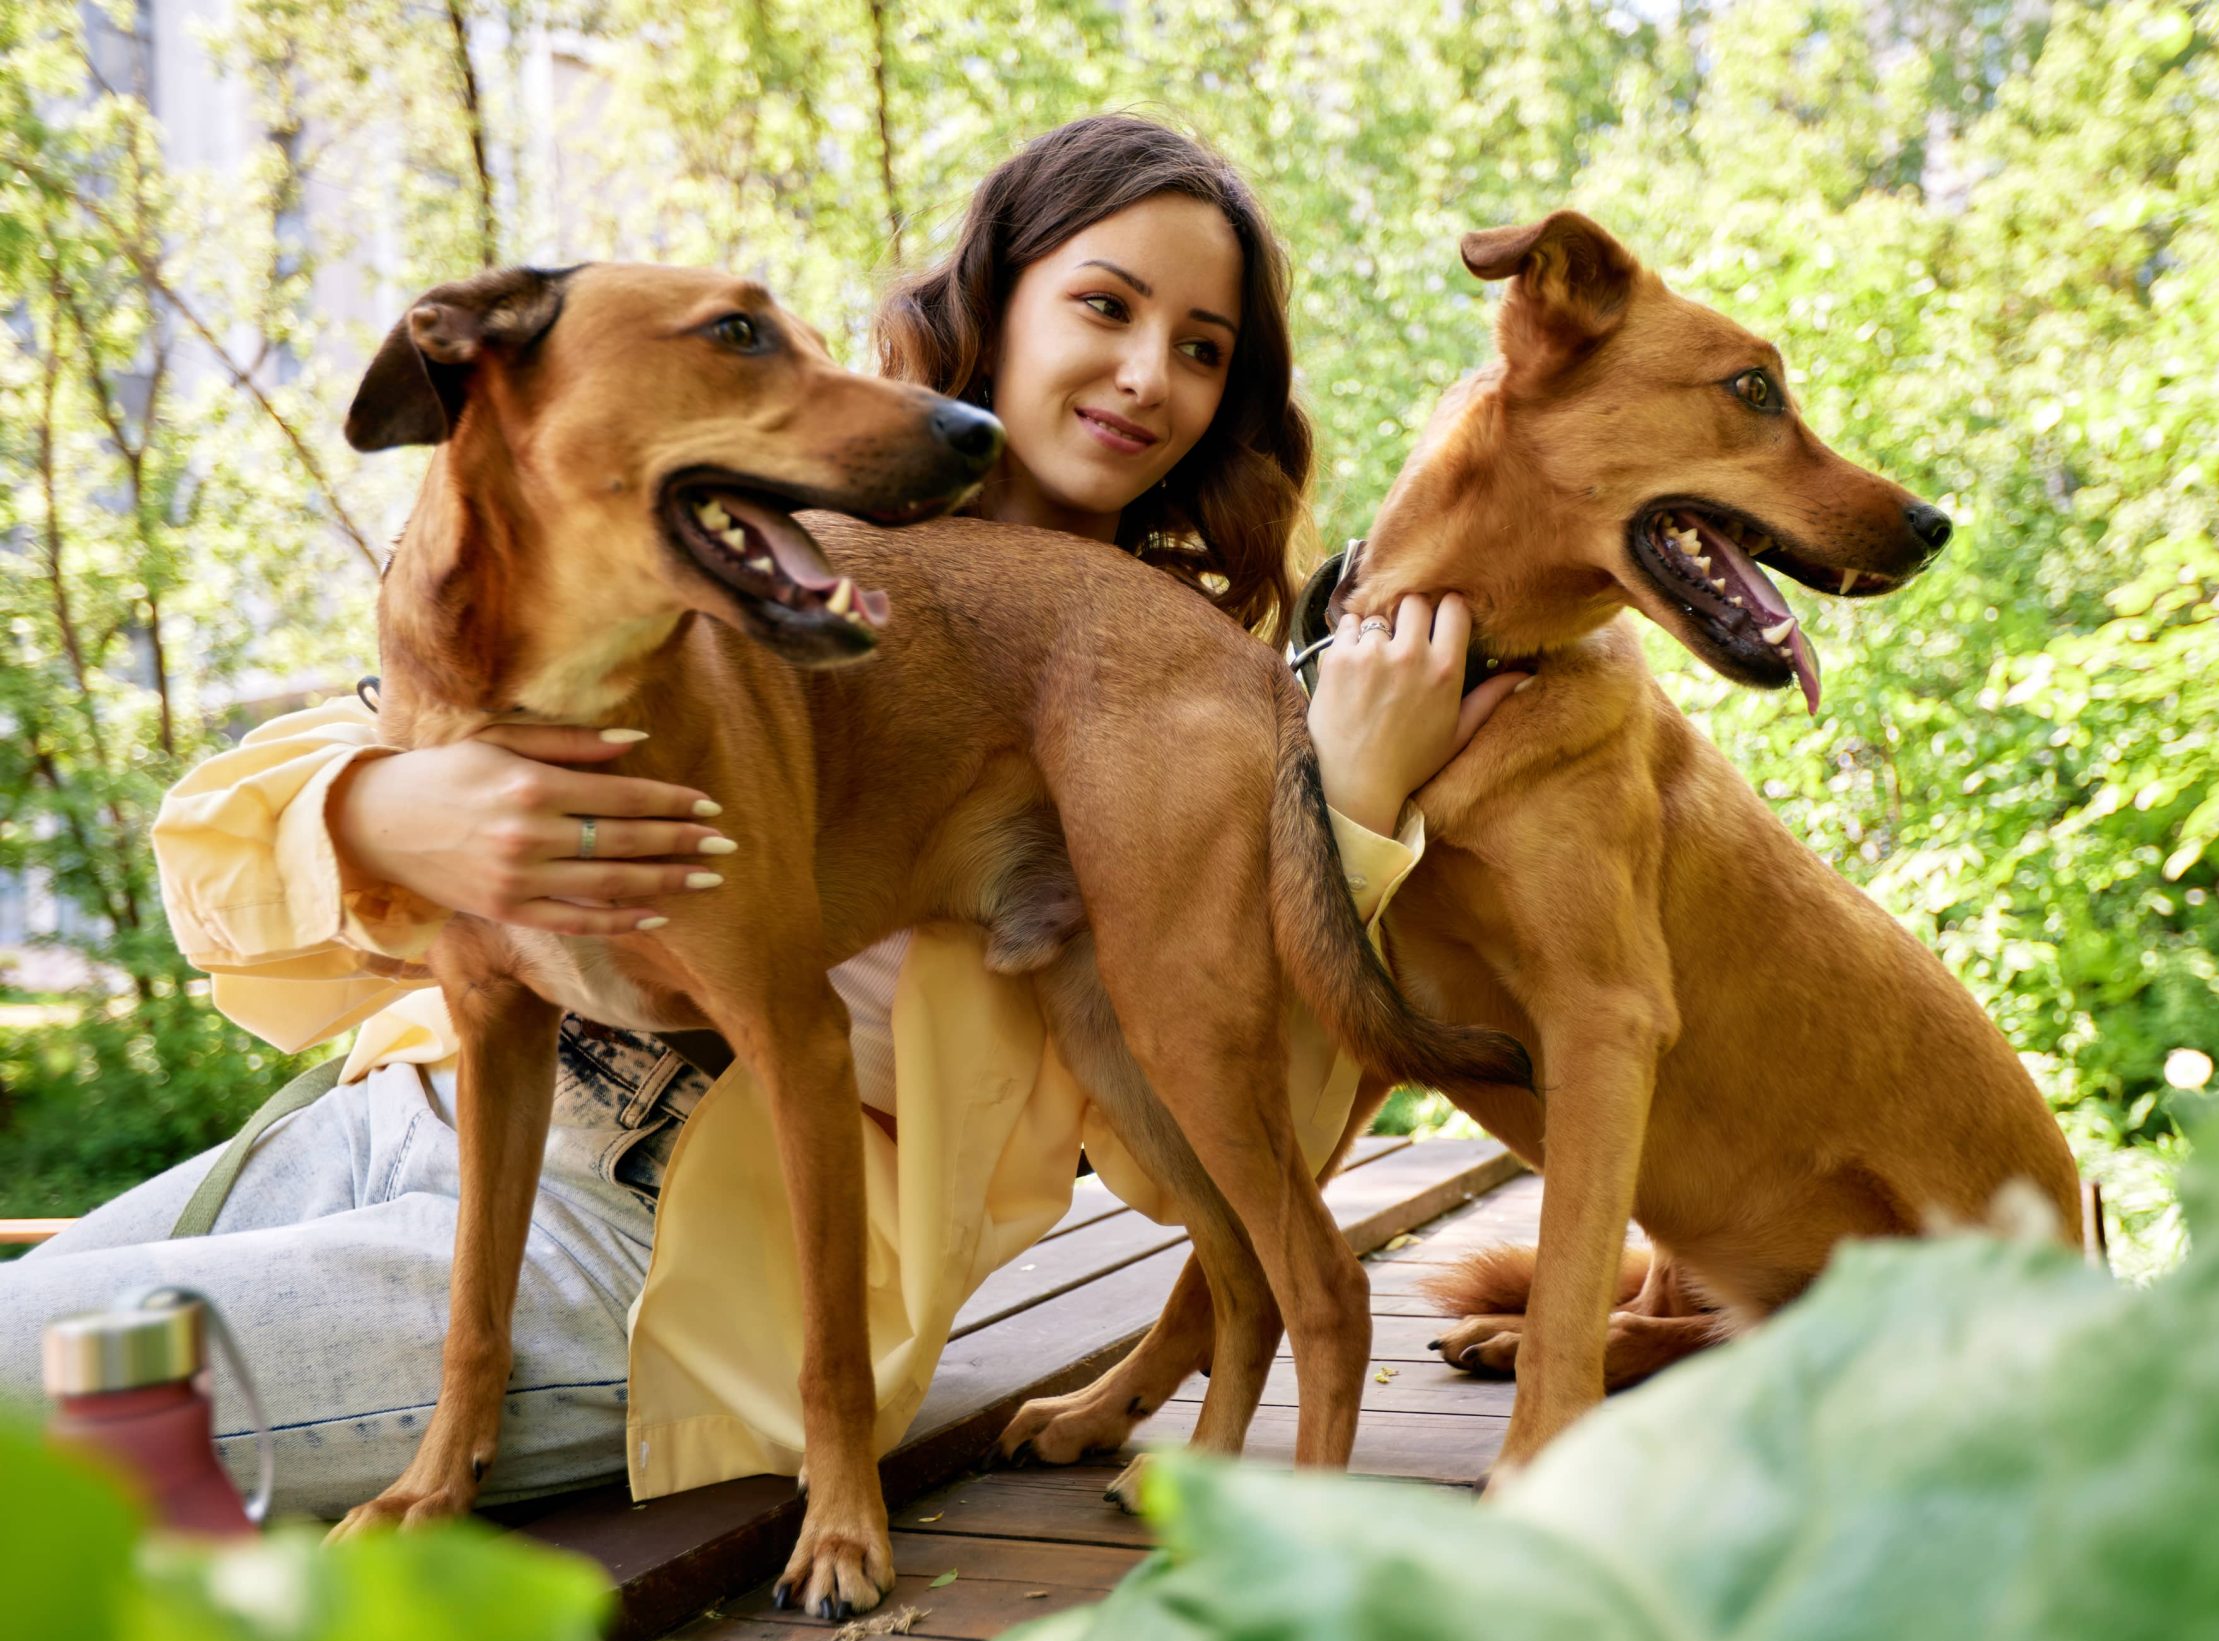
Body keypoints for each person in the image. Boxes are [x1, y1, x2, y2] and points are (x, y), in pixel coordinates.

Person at [0, 114, 1524, 1514]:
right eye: (1107, 306)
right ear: (990, 308)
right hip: (394, 1126)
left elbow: (1239, 1123)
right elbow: (213, 851)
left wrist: (1362, 807)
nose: (1148, 377)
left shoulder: (1172, 690)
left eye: (1204, 349)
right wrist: (387, 812)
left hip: (655, 1264)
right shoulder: (715, 545)